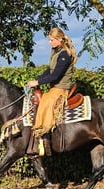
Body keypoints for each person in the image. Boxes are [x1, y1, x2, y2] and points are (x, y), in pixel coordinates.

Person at [27, 27, 77, 156]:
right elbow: (49, 70)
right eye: (50, 40)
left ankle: (45, 138)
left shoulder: (65, 54)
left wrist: (37, 83)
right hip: (54, 88)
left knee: (46, 102)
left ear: (60, 39)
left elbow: (55, 76)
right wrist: (37, 80)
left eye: (52, 40)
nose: (50, 42)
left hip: (61, 89)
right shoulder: (55, 52)